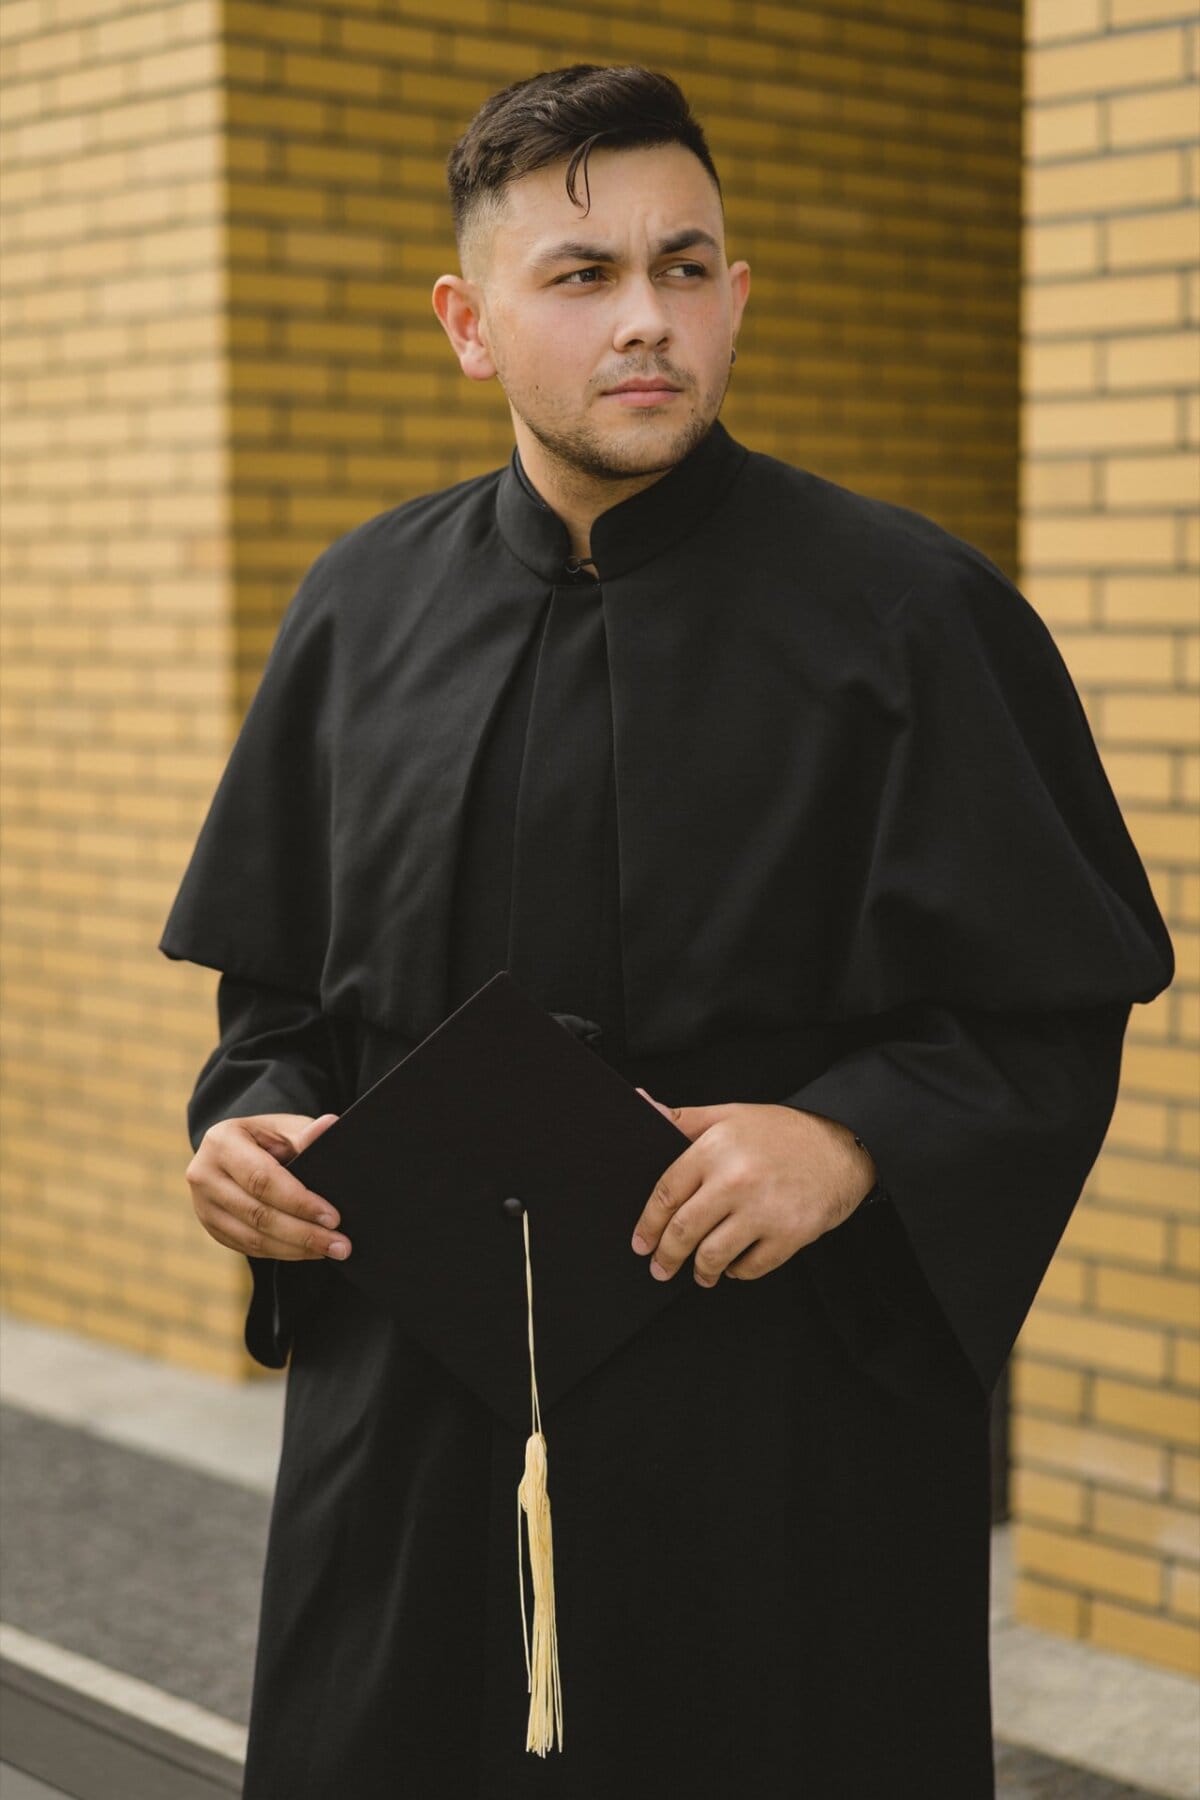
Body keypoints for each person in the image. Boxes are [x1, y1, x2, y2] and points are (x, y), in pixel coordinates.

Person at [160, 63, 1174, 1800]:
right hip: (415, 1415)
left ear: (737, 296)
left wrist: (852, 1140)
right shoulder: (355, 607)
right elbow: (282, 1005)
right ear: (467, 322)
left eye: (686, 268)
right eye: (583, 278)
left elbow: (1047, 1012)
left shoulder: (918, 617)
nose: (651, 321)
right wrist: (242, 1128)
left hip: (778, 1420)